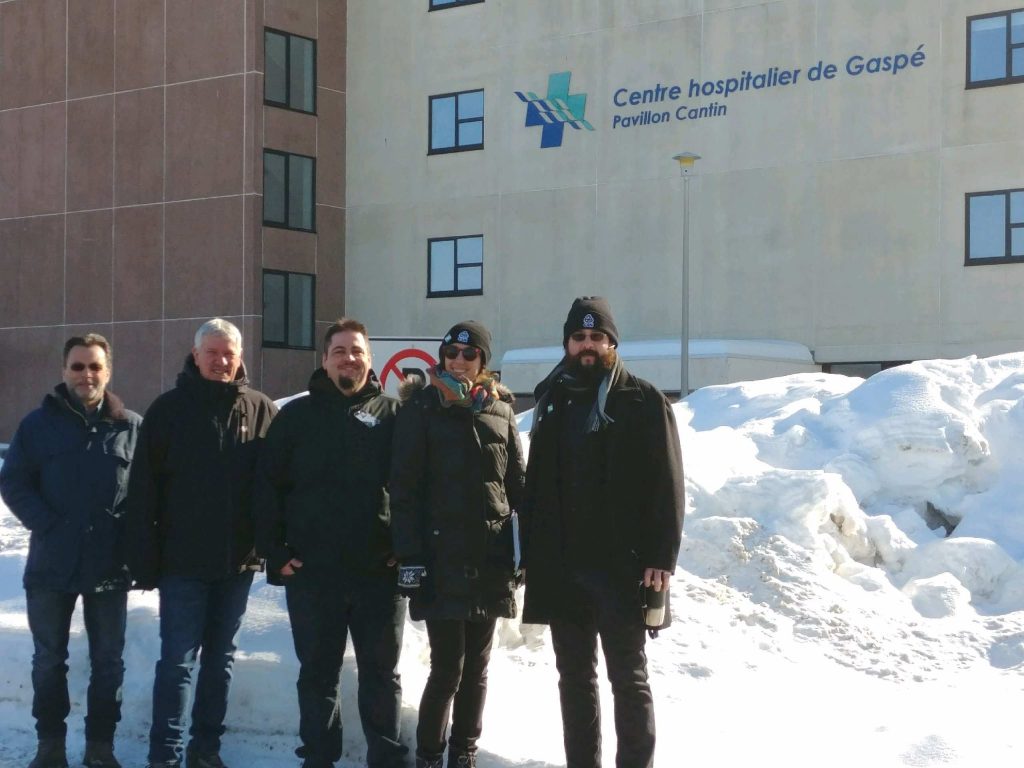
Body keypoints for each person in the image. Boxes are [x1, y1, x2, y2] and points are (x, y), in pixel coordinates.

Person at [519, 297, 684, 768]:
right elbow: (537, 484)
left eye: (597, 337)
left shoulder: (643, 400)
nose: (588, 345)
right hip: (563, 567)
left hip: (621, 567)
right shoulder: (552, 398)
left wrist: (661, 557)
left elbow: (667, 483)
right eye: (579, 337)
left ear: (612, 343)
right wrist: (530, 554)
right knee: (574, 679)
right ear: (567, 344)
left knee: (628, 678)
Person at [255, 318, 407, 768]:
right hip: (313, 575)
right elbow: (267, 488)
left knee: (381, 675)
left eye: (357, 351)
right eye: (339, 351)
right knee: (318, 676)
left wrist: (406, 547)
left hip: (379, 574)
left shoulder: (394, 415)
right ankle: (319, 758)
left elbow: (415, 488)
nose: (349, 358)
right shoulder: (295, 417)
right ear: (324, 360)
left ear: (370, 359)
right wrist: (276, 553)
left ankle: (387, 759)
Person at [126, 318, 277, 768]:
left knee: (221, 661)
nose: (221, 361)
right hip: (181, 564)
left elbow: (275, 489)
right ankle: (165, 756)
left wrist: (272, 547)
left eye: (229, 353)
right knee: (177, 662)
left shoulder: (261, 410)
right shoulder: (167, 411)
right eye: (212, 352)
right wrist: (145, 559)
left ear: (240, 356)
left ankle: (205, 751)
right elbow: (143, 491)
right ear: (195, 356)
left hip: (237, 564)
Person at [0, 334, 141, 768]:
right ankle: (50, 746)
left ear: (108, 371)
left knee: (108, 662)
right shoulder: (37, 425)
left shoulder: (130, 426)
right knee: (48, 661)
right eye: (78, 366)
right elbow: (14, 482)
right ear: (64, 371)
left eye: (95, 366)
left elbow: (146, 493)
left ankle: (101, 747)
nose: (86, 375)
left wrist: (133, 541)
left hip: (109, 564)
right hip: (51, 564)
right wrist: (48, 525)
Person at [390, 321, 526, 768]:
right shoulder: (421, 408)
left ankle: (463, 753)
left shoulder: (500, 411)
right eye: (452, 353)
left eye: (469, 354)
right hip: (439, 559)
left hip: (490, 557)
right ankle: (429, 756)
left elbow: (517, 487)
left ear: (483, 360)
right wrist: (410, 557)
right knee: (449, 667)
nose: (459, 361)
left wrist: (524, 551)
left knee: (478, 670)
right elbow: (403, 491)